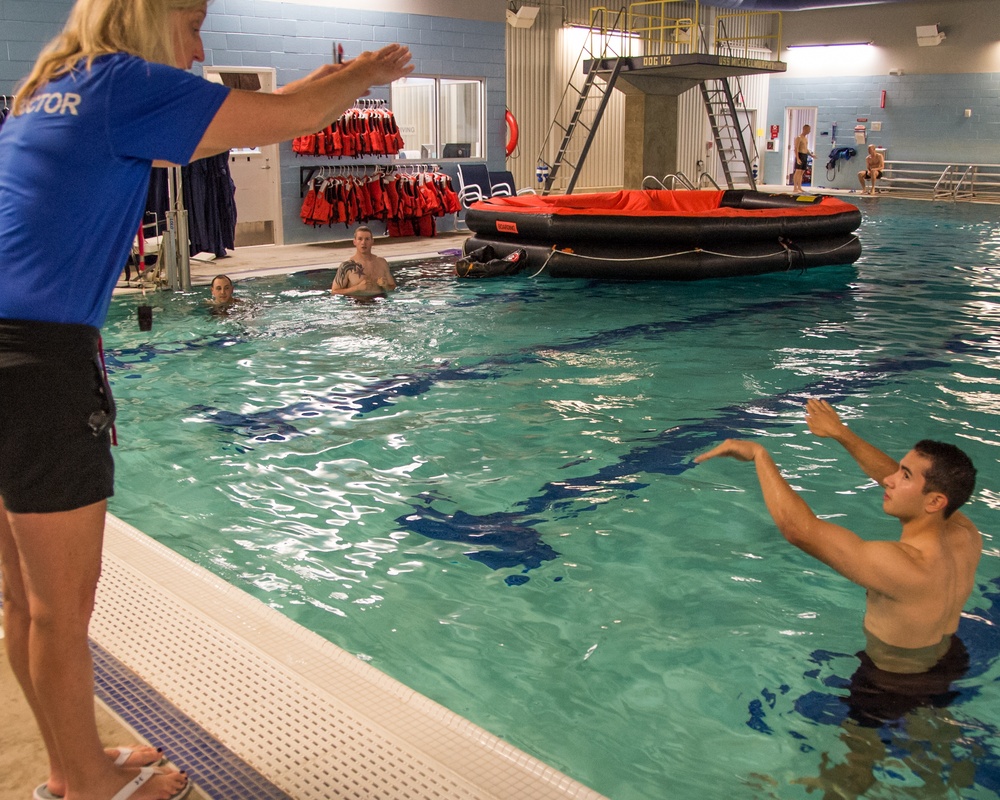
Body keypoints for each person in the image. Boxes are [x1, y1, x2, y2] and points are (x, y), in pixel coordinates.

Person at [0, 0, 412, 797]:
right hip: (37, 367)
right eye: (191, 22)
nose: (198, 44)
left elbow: (285, 98)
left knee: (24, 601)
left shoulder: (55, 83)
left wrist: (334, 75)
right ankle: (82, 780)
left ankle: (69, 761)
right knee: (61, 610)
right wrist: (366, 73)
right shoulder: (128, 85)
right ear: (150, 18)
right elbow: (288, 116)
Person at [694, 399, 981, 677]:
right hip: (949, 658)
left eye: (904, 476)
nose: (890, 479)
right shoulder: (965, 536)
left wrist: (759, 455)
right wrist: (841, 434)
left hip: (892, 679)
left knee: (857, 728)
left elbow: (798, 529)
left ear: (935, 502)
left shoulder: (901, 566)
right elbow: (899, 478)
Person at [330, 225, 397, 297]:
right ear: (354, 242)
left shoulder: (382, 262)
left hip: (380, 302)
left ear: (372, 241)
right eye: (360, 239)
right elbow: (334, 291)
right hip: (358, 304)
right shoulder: (347, 266)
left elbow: (392, 287)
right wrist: (357, 288)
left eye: (367, 239)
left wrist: (386, 286)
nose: (363, 242)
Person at [792, 124, 813, 193]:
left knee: (801, 172)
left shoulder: (805, 139)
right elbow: (796, 148)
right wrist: (797, 158)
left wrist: (811, 155)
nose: (809, 131)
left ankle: (799, 187)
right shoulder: (799, 138)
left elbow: (806, 149)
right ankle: (795, 187)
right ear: (804, 129)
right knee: (797, 171)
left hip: (804, 155)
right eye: (808, 130)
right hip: (800, 155)